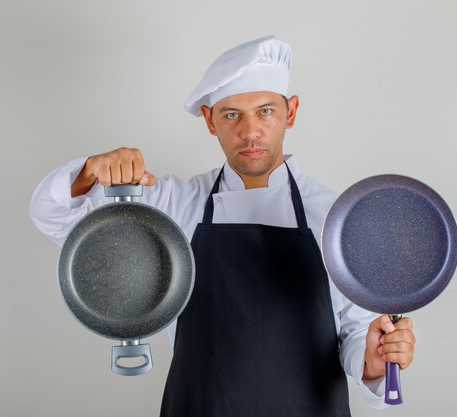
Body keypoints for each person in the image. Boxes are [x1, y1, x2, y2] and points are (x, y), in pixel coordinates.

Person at [29, 35, 415, 416]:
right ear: (211, 123)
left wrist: (374, 361)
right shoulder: (174, 206)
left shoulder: (337, 214)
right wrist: (88, 172)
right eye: (232, 115)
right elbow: (54, 216)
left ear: (291, 112)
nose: (250, 132)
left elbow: (355, 335)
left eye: (265, 111)